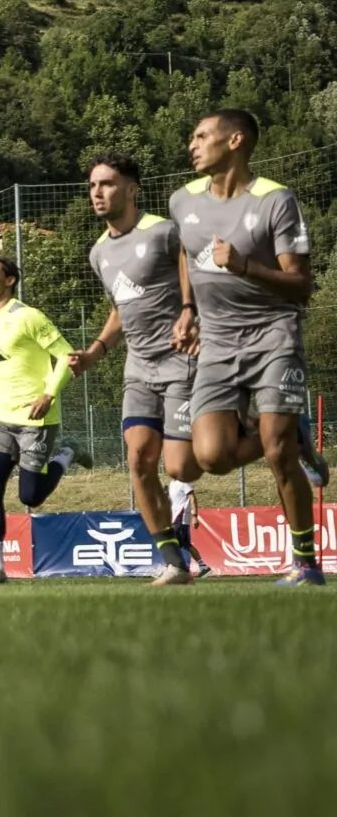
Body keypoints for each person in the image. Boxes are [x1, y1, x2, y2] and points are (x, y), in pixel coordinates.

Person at [172, 109, 327, 586]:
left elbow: (302, 285)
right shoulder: (183, 200)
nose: (192, 145)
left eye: (202, 136)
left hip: (273, 335)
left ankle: (305, 563)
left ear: (235, 141)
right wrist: (187, 308)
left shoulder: (276, 200)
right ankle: (291, 435)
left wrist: (243, 267)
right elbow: (185, 249)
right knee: (212, 458)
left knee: (277, 453)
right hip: (216, 342)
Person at [68, 153, 209, 585]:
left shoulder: (165, 232)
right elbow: (120, 309)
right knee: (138, 461)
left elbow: (197, 267)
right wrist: (95, 352)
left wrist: (190, 311)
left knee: (181, 467)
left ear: (132, 189)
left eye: (107, 184)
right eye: (93, 185)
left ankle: (248, 426)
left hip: (182, 360)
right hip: (138, 368)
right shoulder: (98, 254)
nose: (97, 192)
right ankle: (175, 562)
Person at [0, 255, 88, 586]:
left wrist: (48, 394)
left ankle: (67, 454)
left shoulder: (29, 316)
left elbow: (68, 355)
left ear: (10, 280)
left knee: (30, 497)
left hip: (38, 417)